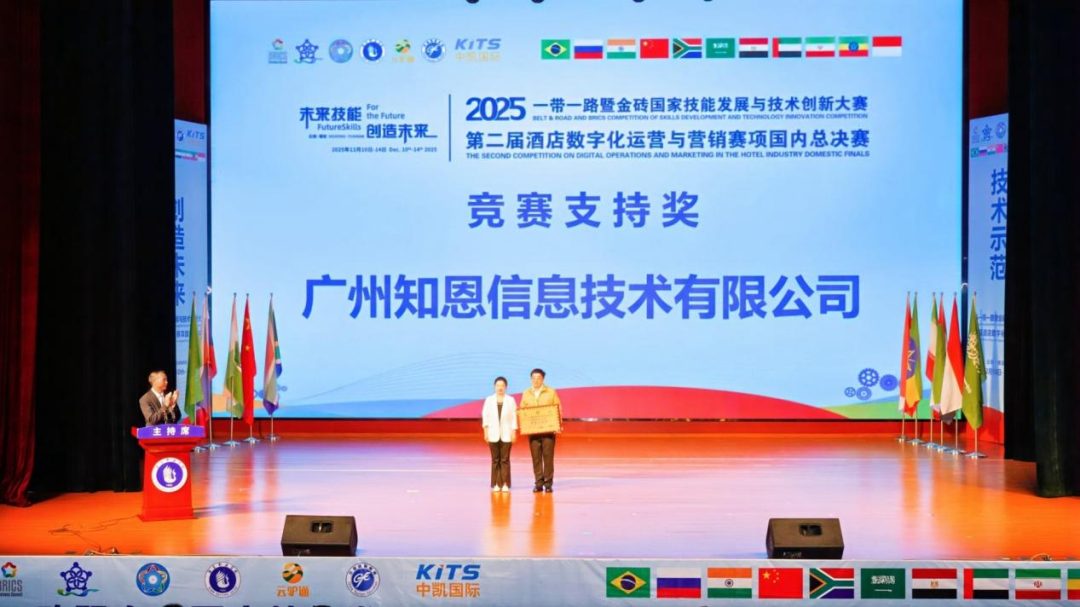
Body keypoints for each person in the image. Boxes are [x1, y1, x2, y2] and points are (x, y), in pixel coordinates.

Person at [518, 368, 562, 493]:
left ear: (543, 379)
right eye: (533, 378)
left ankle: (548, 484)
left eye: (538, 378)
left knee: (548, 458)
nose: (536, 380)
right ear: (530, 379)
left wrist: (557, 424)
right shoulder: (526, 393)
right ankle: (538, 483)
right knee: (536, 458)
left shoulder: (551, 392)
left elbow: (558, 408)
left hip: (548, 430)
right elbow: (522, 410)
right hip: (533, 431)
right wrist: (523, 421)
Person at [481, 376, 517, 492]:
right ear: (494, 387)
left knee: (505, 459)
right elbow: (485, 416)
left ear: (506, 387)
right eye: (498, 385)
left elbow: (514, 417)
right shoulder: (489, 400)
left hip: (507, 433)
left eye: (502, 385)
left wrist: (514, 432)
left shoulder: (511, 400)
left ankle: (505, 483)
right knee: (495, 460)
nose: (500, 388)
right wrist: (486, 432)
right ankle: (496, 483)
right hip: (492, 433)